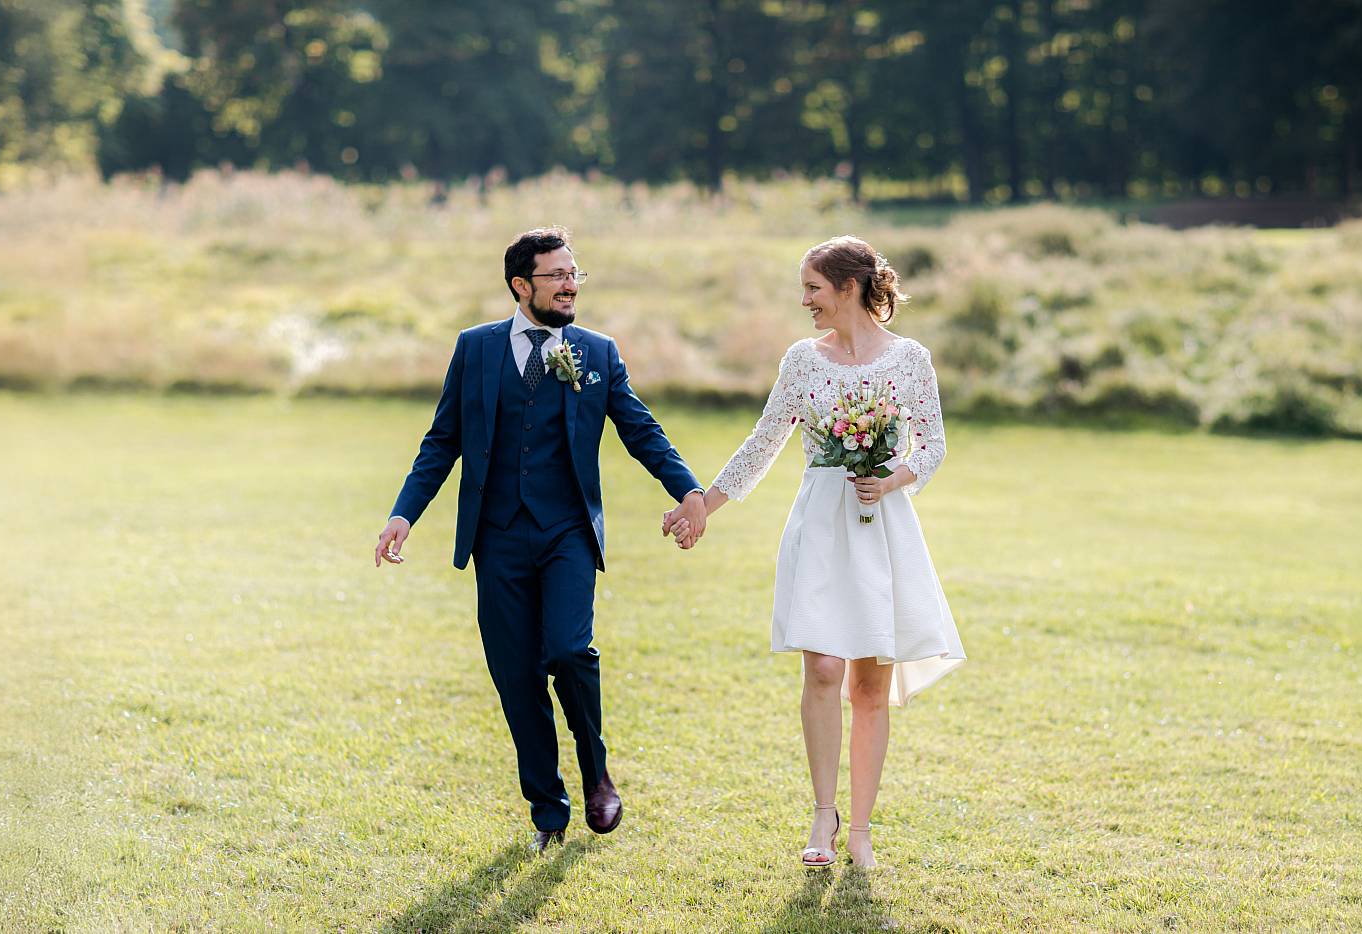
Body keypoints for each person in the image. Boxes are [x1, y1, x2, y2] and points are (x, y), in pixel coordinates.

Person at [377, 226, 707, 852]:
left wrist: (687, 490)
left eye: (573, 273)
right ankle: (547, 811)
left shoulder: (597, 352)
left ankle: (596, 768)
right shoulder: (474, 350)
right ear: (520, 285)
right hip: (496, 538)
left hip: (566, 534)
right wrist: (404, 514)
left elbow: (640, 429)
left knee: (568, 650)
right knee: (515, 673)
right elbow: (442, 440)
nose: (570, 284)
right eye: (556, 275)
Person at [667, 235, 964, 869]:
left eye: (812, 288)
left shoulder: (910, 359)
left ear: (849, 288)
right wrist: (702, 505)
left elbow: (932, 445)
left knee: (870, 684)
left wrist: (892, 479)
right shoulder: (803, 361)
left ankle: (861, 829)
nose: (804, 300)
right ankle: (822, 818)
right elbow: (764, 442)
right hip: (821, 524)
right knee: (824, 669)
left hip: (882, 524)